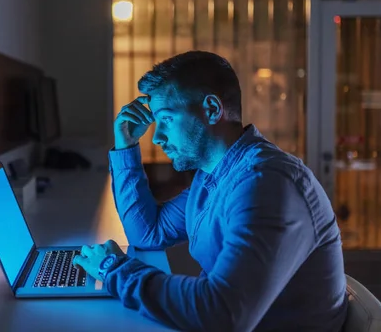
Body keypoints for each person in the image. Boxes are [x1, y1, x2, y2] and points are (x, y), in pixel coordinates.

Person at [72, 51, 348, 331]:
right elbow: (148, 233)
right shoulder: (212, 176)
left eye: (166, 119)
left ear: (213, 109)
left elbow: (223, 315)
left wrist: (112, 268)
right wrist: (126, 144)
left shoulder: (266, 184)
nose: (156, 137)